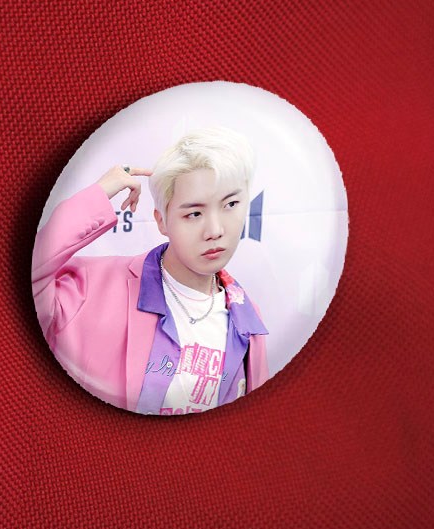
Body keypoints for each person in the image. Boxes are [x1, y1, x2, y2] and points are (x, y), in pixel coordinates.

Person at [31, 127, 269, 414]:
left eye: (230, 204)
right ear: (162, 221)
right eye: (194, 213)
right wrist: (98, 196)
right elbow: (23, 280)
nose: (215, 230)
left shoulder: (247, 319)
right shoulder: (90, 287)